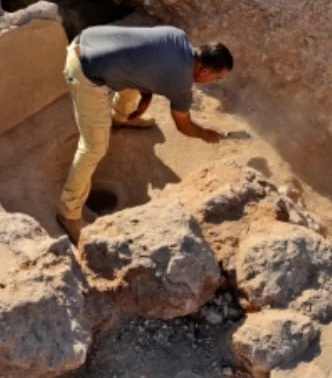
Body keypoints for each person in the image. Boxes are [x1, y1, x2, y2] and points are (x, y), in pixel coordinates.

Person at [57, 25, 233, 239]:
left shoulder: (177, 37)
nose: (214, 82)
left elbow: (141, 55)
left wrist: (146, 94)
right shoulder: (180, 85)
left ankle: (120, 116)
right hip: (85, 71)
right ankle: (69, 213)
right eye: (217, 78)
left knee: (128, 73)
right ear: (204, 71)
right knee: (94, 146)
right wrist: (207, 134)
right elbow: (184, 126)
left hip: (89, 39)